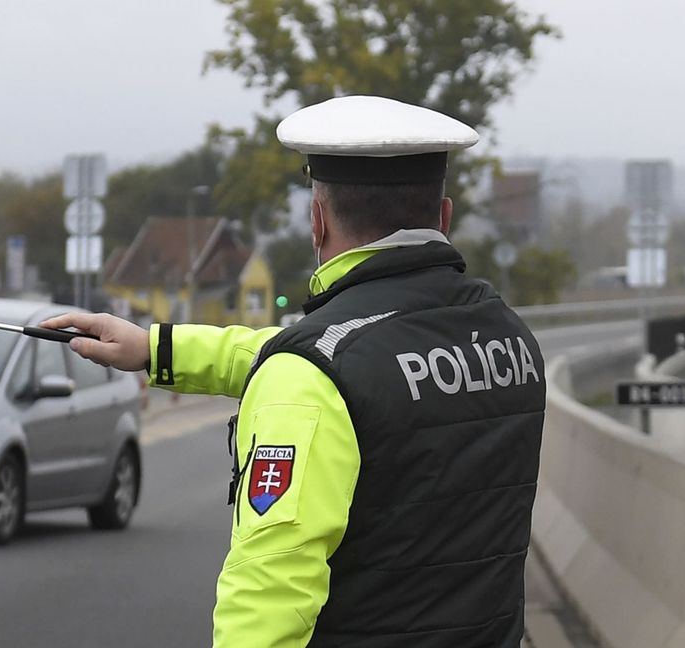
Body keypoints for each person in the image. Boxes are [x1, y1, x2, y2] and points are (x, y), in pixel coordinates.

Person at [42, 95, 546, 647]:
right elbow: (339, 361)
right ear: (443, 216)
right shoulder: (506, 338)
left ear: (318, 220)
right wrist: (153, 349)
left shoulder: (317, 372)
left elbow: (271, 587)